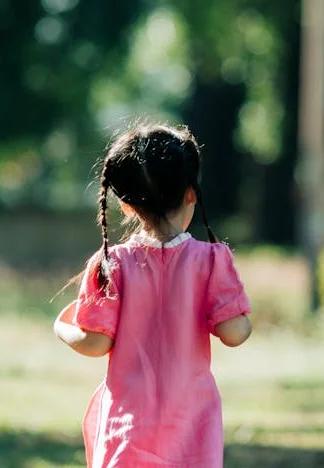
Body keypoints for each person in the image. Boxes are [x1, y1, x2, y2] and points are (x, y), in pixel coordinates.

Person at [53, 123, 252, 468]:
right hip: (192, 428)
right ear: (191, 193)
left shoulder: (112, 264)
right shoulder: (211, 261)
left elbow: (96, 343)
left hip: (128, 429)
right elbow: (234, 333)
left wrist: (62, 328)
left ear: (127, 206)